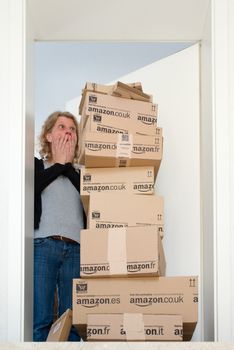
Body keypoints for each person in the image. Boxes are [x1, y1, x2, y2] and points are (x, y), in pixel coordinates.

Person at [33, 111, 85, 341]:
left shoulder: (81, 175)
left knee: (72, 322)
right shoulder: (36, 166)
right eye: (62, 127)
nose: (68, 132)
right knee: (41, 320)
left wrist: (67, 166)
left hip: (76, 250)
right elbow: (32, 187)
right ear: (48, 136)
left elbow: (89, 198)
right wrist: (58, 165)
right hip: (43, 246)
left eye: (72, 129)